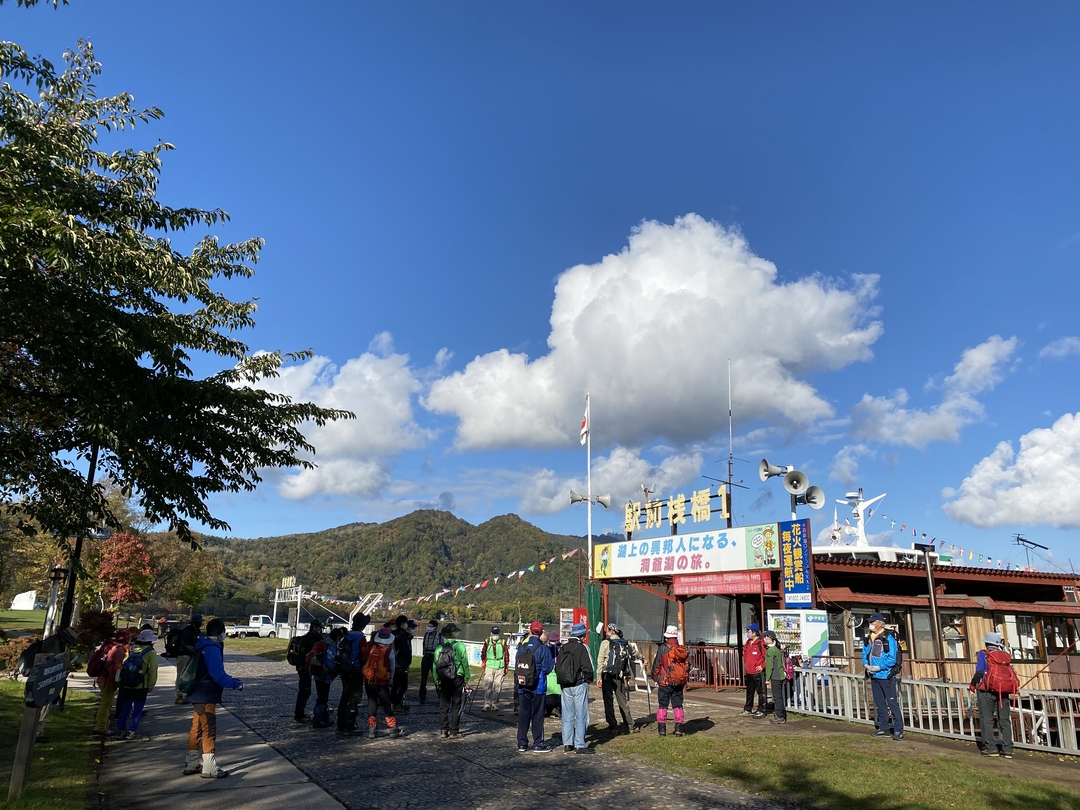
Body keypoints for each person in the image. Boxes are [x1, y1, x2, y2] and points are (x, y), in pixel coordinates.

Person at [184, 618, 243, 778]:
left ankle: (192, 762)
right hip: (207, 693)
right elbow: (218, 675)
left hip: (196, 691)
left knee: (196, 727)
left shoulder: (200, 644)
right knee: (209, 728)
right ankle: (209, 766)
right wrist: (235, 683)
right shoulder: (212, 648)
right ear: (221, 632)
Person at [970, 631, 1015, 758]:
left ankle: (991, 748)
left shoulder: (983, 654)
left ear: (986, 643)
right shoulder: (1005, 655)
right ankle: (1007, 749)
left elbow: (979, 672)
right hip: (1003, 690)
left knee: (987, 719)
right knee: (1005, 720)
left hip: (986, 690)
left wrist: (973, 685)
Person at [863, 611, 904, 741]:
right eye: (870, 622)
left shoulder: (888, 638)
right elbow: (865, 652)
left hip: (886, 675)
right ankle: (883, 728)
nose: (870, 624)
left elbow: (892, 658)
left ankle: (898, 730)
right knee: (879, 703)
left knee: (892, 703)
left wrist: (880, 667)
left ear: (880, 624)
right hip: (874, 675)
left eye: (872, 622)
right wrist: (865, 665)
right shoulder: (869, 637)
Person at [516, 621, 554, 753]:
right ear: (541, 632)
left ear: (530, 631)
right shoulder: (543, 648)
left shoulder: (522, 647)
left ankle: (522, 743)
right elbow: (548, 668)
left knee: (523, 715)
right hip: (538, 686)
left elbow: (517, 665)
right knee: (537, 716)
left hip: (522, 685)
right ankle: (538, 743)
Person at [556, 623, 594, 752]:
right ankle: (579, 743)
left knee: (567, 715)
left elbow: (557, 667)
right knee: (581, 714)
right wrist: (588, 680)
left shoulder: (563, 647)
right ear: (582, 636)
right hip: (579, 684)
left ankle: (567, 743)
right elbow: (589, 668)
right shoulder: (582, 648)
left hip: (565, 684)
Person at [116, 628, 159, 740]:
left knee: (125, 707)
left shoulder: (132, 649)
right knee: (138, 709)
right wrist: (151, 684)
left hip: (126, 684)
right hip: (141, 685)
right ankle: (132, 731)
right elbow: (152, 669)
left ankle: (120, 730)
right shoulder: (150, 652)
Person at [596, 623, 637, 734]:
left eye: (607, 630)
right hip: (619, 675)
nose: (606, 632)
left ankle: (612, 725)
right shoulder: (625, 642)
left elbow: (600, 661)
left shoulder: (605, 643)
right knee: (622, 700)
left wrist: (598, 676)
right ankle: (630, 725)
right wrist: (643, 659)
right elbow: (635, 653)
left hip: (607, 675)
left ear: (611, 631)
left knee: (608, 701)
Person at [91, 628, 130, 737]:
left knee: (105, 704)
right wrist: (116, 682)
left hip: (102, 678)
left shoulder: (110, 646)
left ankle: (104, 725)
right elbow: (116, 668)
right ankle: (100, 727)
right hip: (108, 680)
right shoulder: (119, 650)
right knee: (106, 704)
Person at [433, 623, 469, 739]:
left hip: (443, 678)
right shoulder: (460, 646)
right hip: (457, 677)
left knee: (443, 705)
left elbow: (435, 666)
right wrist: (467, 678)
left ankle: (444, 730)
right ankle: (454, 731)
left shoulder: (439, 647)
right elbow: (465, 663)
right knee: (456, 704)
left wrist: (437, 681)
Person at [652, 625, 688, 737]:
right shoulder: (681, 649)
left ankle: (662, 730)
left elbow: (657, 664)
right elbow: (687, 666)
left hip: (665, 681)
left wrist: (656, 678)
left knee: (663, 705)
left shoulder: (663, 648)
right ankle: (679, 729)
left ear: (666, 636)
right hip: (678, 682)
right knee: (678, 705)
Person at [336, 613, 370, 734]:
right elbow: (364, 656)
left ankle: (340, 725)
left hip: (345, 670)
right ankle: (349, 726)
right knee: (354, 698)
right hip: (356, 670)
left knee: (344, 696)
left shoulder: (347, 636)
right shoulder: (360, 638)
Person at [365, 627, 400, 738]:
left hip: (370, 681)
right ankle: (392, 729)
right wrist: (391, 680)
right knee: (386, 705)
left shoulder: (372, 648)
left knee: (372, 705)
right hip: (382, 682)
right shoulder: (389, 651)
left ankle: (372, 730)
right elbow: (392, 667)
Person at [311, 626, 344, 728]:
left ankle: (324, 718)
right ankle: (318, 719)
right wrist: (338, 671)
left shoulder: (324, 642)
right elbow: (330, 663)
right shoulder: (331, 647)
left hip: (318, 675)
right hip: (324, 676)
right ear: (337, 637)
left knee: (322, 698)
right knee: (322, 698)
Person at [293, 619, 324, 722]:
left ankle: (299, 713)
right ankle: (299, 714)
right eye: (319, 628)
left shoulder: (309, 637)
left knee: (305, 690)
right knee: (305, 691)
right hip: (305, 668)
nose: (320, 630)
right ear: (314, 628)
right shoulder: (310, 639)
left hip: (303, 667)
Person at [479, 626, 509, 712]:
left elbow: (506, 655)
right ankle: (487, 703)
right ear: (491, 633)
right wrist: (484, 662)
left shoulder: (503, 642)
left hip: (500, 666)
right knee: (488, 686)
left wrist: (506, 667)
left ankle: (494, 704)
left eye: (497, 633)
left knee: (498, 686)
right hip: (489, 665)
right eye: (494, 633)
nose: (495, 635)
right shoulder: (487, 641)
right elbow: (483, 653)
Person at [173, 614, 202, 705]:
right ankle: (179, 696)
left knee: (188, 676)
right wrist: (193, 649)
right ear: (194, 623)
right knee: (181, 675)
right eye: (198, 622)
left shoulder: (196, 631)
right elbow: (183, 643)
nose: (200, 624)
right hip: (183, 655)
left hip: (190, 655)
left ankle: (185, 695)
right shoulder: (188, 631)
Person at [742, 623, 767, 717]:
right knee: (749, 691)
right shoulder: (748, 643)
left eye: (749, 631)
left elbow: (767, 657)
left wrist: (762, 666)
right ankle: (748, 708)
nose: (748, 633)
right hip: (749, 672)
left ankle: (762, 710)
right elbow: (745, 653)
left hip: (758, 672)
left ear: (755, 633)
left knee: (761, 692)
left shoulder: (761, 643)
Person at [391, 616, 415, 712]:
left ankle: (393, 703)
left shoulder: (393, 634)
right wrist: (408, 660)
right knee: (403, 685)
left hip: (394, 661)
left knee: (395, 685)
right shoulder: (401, 635)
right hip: (401, 663)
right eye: (405, 623)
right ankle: (396, 703)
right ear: (402, 623)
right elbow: (405, 650)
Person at [764, 630, 787, 725]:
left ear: (771, 639)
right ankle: (780, 714)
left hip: (775, 676)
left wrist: (767, 678)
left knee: (777, 697)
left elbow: (769, 666)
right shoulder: (777, 650)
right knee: (779, 696)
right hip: (780, 675)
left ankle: (780, 716)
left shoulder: (770, 651)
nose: (765, 639)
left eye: (767, 637)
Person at [418, 620, 442, 705]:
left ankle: (440, 697)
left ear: (435, 627)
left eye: (430, 626)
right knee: (423, 679)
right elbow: (424, 645)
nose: (428, 627)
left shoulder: (439, 636)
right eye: (428, 626)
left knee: (437, 678)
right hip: (426, 657)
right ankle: (422, 697)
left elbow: (442, 647)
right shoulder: (426, 635)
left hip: (434, 657)